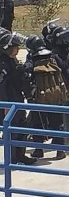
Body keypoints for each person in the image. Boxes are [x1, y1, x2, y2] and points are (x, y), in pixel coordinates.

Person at [0, 30, 37, 165]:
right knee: (12, 131)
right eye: (15, 47)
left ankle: (21, 155)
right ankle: (12, 159)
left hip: (17, 99)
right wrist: (5, 105)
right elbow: (2, 87)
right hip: (8, 103)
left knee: (22, 127)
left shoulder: (12, 62)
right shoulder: (3, 65)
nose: (17, 49)